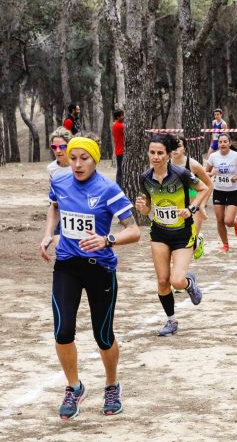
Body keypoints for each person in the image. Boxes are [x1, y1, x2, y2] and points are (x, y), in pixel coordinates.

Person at [39, 137, 140, 419]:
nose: (78, 164)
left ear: (95, 160)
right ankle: (74, 387)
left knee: (103, 335)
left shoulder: (108, 188)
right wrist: (49, 233)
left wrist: (108, 240)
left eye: (84, 158)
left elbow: (134, 231)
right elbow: (54, 207)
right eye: (73, 158)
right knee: (63, 330)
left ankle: (112, 385)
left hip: (100, 268)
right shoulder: (59, 181)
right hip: (67, 266)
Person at [135, 134, 210, 336]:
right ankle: (171, 321)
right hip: (159, 232)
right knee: (162, 281)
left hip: (182, 233)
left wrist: (192, 209)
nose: (156, 157)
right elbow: (147, 207)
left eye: (160, 153)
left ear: (168, 154)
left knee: (177, 281)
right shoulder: (145, 178)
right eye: (152, 152)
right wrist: (142, 208)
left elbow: (204, 188)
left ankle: (189, 283)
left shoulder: (181, 173)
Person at [171, 135, 214, 259]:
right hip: (176, 207)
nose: (175, 149)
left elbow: (209, 184)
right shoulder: (165, 164)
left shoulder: (193, 164)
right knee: (178, 244)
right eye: (172, 146)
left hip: (193, 206)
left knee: (191, 242)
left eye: (178, 146)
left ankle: (198, 241)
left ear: (184, 148)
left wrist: (202, 205)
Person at [205, 133, 237, 253]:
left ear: (229, 143)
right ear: (218, 144)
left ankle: (235, 222)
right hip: (218, 191)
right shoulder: (213, 157)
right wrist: (212, 174)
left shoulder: (236, 156)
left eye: (225, 141)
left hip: (233, 191)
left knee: (228, 221)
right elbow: (206, 173)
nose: (222, 144)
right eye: (220, 142)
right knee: (219, 219)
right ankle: (225, 244)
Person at [112, 109, 125, 186]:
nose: (123, 117)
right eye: (121, 116)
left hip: (119, 150)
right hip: (121, 151)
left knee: (120, 170)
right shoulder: (119, 125)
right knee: (120, 170)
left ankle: (119, 184)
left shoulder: (116, 124)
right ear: (117, 117)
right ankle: (119, 185)